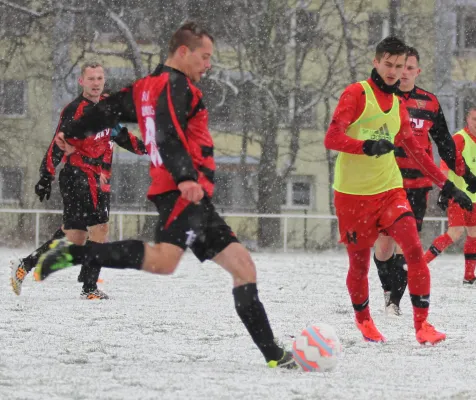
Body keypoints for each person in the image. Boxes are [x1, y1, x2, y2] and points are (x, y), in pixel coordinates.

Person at [34, 22, 296, 369]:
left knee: (243, 267)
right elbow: (170, 134)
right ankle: (78, 255)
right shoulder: (177, 87)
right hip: (180, 193)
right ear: (183, 53)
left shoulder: (148, 86)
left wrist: (72, 130)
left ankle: (275, 357)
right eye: (204, 57)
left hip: (194, 197)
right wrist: (186, 176)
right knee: (163, 262)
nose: (208, 65)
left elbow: (106, 111)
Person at [324, 36, 473, 345]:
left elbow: (419, 152)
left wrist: (448, 184)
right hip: (352, 195)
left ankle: (422, 326)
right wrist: (365, 146)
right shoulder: (356, 94)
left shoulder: (397, 105)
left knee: (414, 251)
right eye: (388, 64)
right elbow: (332, 137)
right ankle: (364, 320)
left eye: (401, 66)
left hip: (391, 190)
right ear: (376, 63)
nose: (394, 72)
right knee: (359, 264)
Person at [10, 62, 146, 299]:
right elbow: (58, 143)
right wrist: (46, 175)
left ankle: (26, 264)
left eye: (99, 78)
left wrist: (148, 149)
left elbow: (122, 137)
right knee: (100, 227)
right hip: (78, 176)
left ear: (104, 80)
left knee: (76, 234)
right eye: (91, 78)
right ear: (81, 81)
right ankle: (89, 287)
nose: (96, 83)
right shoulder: (75, 110)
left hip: (99, 178)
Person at [373, 47, 476, 316]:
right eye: (400, 67)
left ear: (417, 71)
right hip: (386, 183)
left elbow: (445, 145)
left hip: (419, 185)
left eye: (410, 68)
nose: (404, 73)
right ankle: (388, 289)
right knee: (384, 244)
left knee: (408, 244)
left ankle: (394, 302)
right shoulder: (382, 99)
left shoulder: (429, 102)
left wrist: (464, 174)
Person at [424, 106, 476, 285]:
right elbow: (445, 164)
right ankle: (421, 264)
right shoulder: (459, 138)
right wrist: (445, 189)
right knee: (455, 233)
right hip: (458, 195)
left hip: (475, 197)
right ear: (467, 120)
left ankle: (469, 277)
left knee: (474, 233)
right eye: (474, 119)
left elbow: (475, 163)